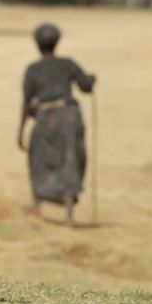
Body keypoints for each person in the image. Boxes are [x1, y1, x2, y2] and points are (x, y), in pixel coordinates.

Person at [18, 23, 95, 227]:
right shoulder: (68, 63)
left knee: (38, 157)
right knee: (70, 158)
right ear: (57, 42)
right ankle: (69, 215)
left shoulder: (32, 70)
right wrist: (91, 80)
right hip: (69, 115)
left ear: (37, 44)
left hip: (45, 116)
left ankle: (37, 202)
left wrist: (21, 131)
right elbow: (85, 86)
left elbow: (26, 102)